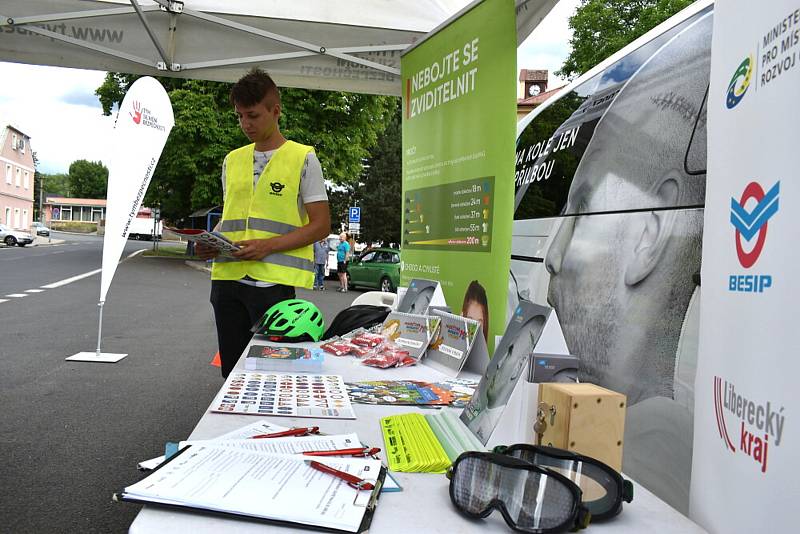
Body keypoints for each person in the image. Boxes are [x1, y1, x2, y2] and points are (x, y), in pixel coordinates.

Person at [541, 14, 711, 511]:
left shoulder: (645, 460)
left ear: (650, 234)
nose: (552, 256)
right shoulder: (634, 442)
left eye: (580, 211)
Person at [195, 67, 331, 378]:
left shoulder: (303, 158)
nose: (245, 124)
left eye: (253, 115)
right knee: (231, 372)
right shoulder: (232, 160)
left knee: (272, 372)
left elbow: (321, 225)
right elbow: (231, 219)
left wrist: (266, 246)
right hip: (226, 280)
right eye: (239, 116)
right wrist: (209, 242)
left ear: (276, 111)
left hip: (272, 284)